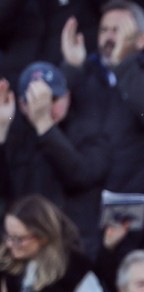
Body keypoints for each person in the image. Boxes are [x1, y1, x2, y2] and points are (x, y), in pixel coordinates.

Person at [59, 1, 144, 220]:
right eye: (104, 30)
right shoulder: (85, 71)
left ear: (142, 39)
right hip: (83, 205)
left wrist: (122, 64)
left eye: (118, 30)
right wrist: (71, 68)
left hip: (137, 207)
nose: (109, 37)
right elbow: (54, 119)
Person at [0, 62, 109, 256]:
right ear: (22, 104)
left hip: (72, 247)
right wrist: (1, 132)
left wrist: (45, 125)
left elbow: (81, 176)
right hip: (24, 245)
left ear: (67, 96)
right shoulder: (15, 134)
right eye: (36, 101)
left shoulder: (88, 129)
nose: (47, 106)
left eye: (54, 98)